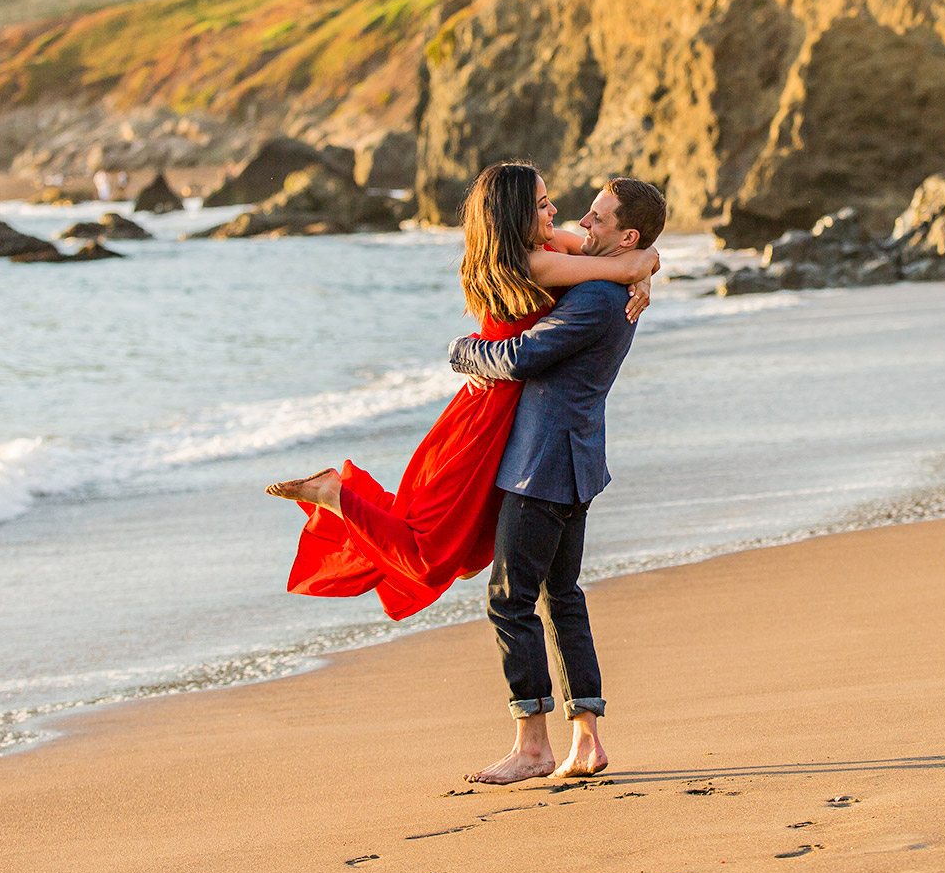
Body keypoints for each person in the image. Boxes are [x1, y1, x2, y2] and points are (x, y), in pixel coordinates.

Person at [264, 162, 657, 623]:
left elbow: (631, 257)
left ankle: (345, 497)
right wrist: (644, 269)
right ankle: (336, 494)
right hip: (487, 413)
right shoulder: (537, 262)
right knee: (434, 553)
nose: (556, 210)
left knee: (463, 545)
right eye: (542, 203)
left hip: (505, 409)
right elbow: (628, 261)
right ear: (515, 214)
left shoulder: (538, 248)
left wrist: (646, 267)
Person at [449, 175, 667, 784]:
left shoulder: (598, 297)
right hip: (576, 460)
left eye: (597, 219)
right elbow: (641, 253)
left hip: (543, 464)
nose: (582, 223)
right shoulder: (617, 281)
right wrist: (644, 263)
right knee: (562, 597)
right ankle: (588, 740)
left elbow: (518, 358)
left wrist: (462, 351)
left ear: (625, 233)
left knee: (509, 600)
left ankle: (533, 746)